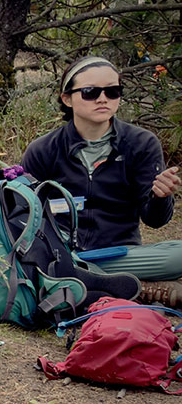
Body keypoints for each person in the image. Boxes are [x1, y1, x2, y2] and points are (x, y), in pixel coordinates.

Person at [21, 56, 182, 283]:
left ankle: (84, 279)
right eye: (90, 92)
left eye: (112, 91)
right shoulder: (43, 149)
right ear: (67, 99)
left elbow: (155, 221)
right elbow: (23, 214)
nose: (102, 99)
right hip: (59, 254)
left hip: (118, 256)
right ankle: (119, 284)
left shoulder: (142, 143)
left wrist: (161, 196)